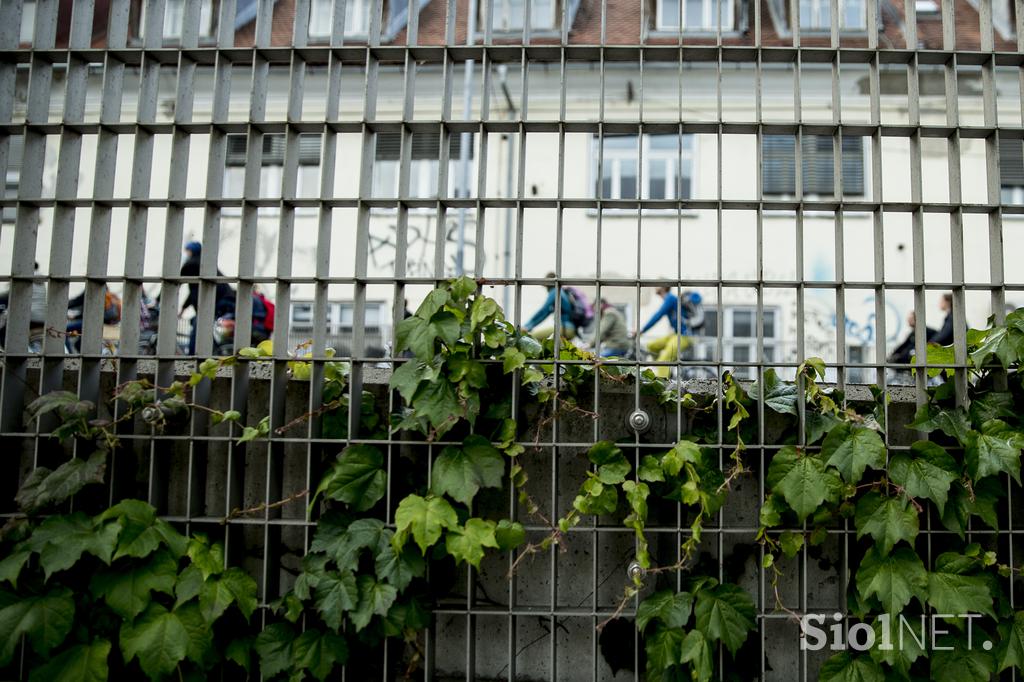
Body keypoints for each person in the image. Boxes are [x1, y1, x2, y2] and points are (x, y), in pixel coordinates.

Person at [180, 241, 236, 355]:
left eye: (187, 251)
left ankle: (193, 356)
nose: (186, 254)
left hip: (218, 300)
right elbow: (195, 292)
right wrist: (184, 308)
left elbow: (175, 284)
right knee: (200, 323)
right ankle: (211, 349)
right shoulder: (206, 263)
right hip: (227, 299)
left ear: (191, 251)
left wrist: (159, 300)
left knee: (198, 324)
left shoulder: (191, 264)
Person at [639, 286, 698, 379]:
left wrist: (641, 330)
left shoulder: (670, 298)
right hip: (675, 334)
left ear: (663, 287)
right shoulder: (670, 299)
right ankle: (665, 369)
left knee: (663, 360)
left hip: (684, 336)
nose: (655, 287)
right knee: (651, 346)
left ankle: (663, 387)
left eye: (657, 285)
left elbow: (658, 315)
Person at [523, 272, 576, 340]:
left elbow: (543, 311)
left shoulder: (555, 291)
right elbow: (544, 314)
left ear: (548, 285)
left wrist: (526, 326)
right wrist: (529, 326)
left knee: (531, 338)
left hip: (565, 328)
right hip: (569, 329)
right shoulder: (561, 293)